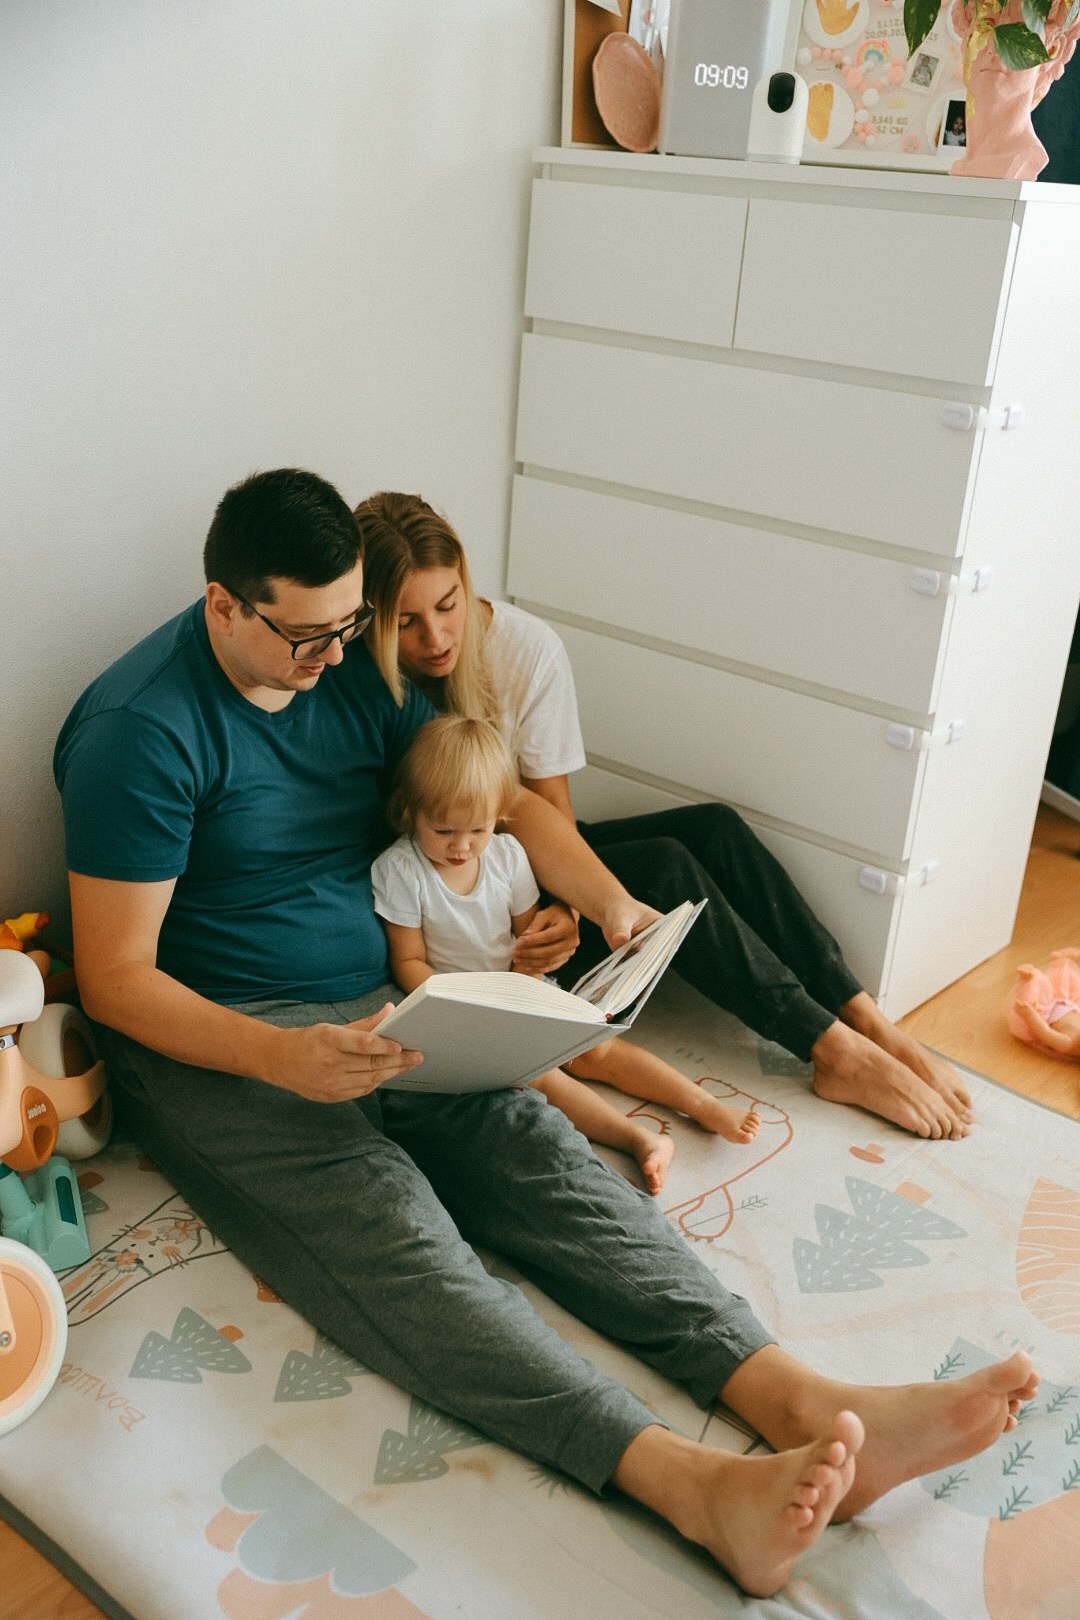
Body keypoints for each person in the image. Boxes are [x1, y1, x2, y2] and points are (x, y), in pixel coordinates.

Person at [55, 468, 1036, 1600]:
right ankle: (689, 1484)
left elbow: (513, 802)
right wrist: (285, 1056)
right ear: (225, 603)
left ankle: (798, 1399)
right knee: (398, 1233)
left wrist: (614, 907)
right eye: (307, 637)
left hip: (394, 1001)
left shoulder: (347, 668)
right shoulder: (139, 731)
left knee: (544, 1162)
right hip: (226, 1041)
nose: (336, 660)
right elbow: (119, 982)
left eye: (348, 628)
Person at [355, 490, 975, 1144]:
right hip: (460, 895)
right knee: (665, 867)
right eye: (407, 621)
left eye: (448, 606)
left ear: (465, 581)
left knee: (715, 829)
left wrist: (568, 912)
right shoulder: (371, 685)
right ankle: (828, 1049)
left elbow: (547, 809)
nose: (436, 638)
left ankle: (864, 1018)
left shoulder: (523, 647)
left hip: (529, 871)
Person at [371, 713, 761, 1193]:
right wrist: (461, 1001)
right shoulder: (401, 871)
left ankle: (702, 1105)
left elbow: (527, 936)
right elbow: (407, 961)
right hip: (457, 1006)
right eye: (445, 831)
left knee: (598, 1049)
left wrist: (529, 988)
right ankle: (637, 1139)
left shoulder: (507, 856)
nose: (462, 847)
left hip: (519, 988)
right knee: (541, 1078)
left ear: (498, 816)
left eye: (477, 830)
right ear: (411, 811)